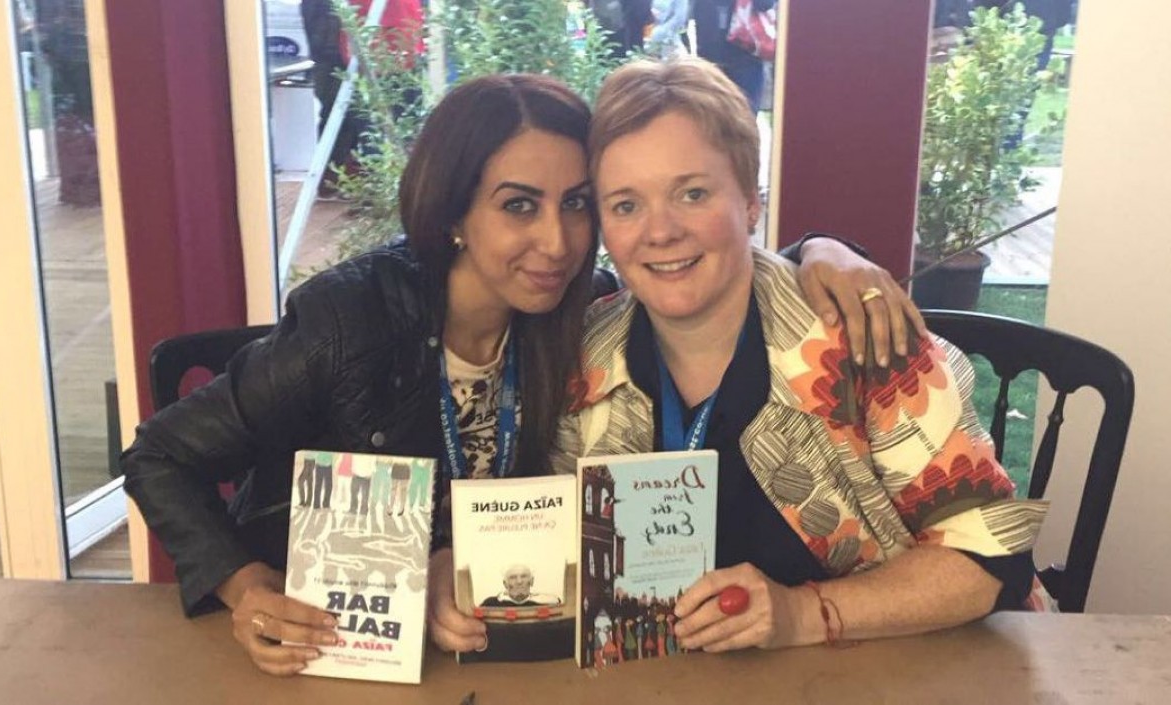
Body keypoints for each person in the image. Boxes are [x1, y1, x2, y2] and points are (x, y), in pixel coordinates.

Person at [123, 71, 917, 676]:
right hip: (330, 652)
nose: (558, 242)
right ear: (453, 214)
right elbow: (159, 454)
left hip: (508, 653)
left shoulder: (582, 315)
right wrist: (247, 587)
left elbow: (720, 259)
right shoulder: (347, 322)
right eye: (518, 205)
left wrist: (823, 251)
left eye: (577, 203)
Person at [553, 57, 1048, 654]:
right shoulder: (582, 362)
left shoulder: (862, 336)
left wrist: (803, 615)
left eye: (692, 193)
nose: (660, 232)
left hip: (903, 670)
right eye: (626, 205)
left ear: (750, 201)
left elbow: (988, 558)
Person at [479, 565, 563, 607]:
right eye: (513, 577)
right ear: (505, 584)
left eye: (524, 576)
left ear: (532, 581)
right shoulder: (490, 604)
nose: (519, 582)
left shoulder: (549, 602)